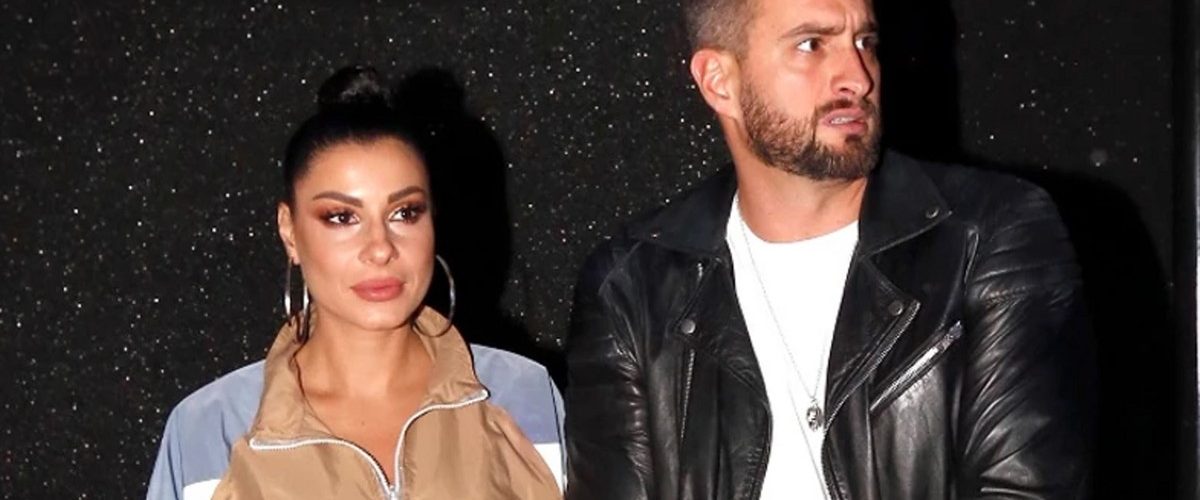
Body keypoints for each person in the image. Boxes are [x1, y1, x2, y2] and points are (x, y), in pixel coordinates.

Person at [563, 0, 1094, 498]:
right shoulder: (632, 286)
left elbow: (1023, 487)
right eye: (811, 45)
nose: (858, 78)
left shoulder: (986, 236)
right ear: (719, 81)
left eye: (865, 42)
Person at [147, 66, 564, 500]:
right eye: (342, 217)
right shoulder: (209, 430)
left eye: (404, 213)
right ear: (289, 231)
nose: (380, 248)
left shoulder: (523, 395)